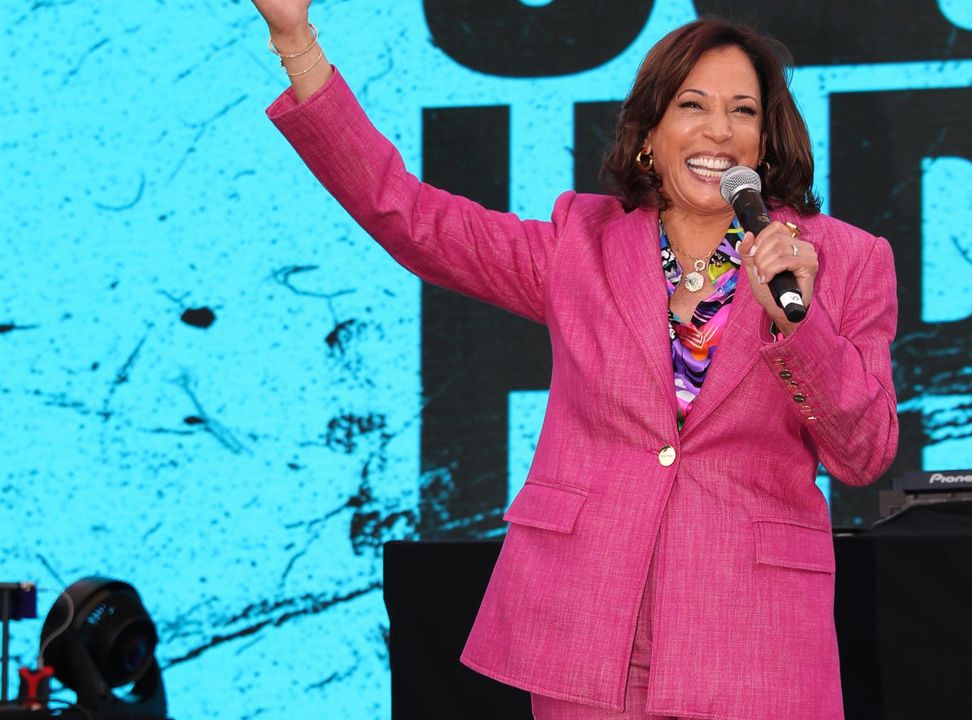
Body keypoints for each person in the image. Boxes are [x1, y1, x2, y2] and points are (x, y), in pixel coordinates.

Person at [252, 2, 898, 718]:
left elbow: (864, 455)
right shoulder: (580, 243)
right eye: (693, 105)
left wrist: (798, 328)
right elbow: (407, 215)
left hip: (750, 640)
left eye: (743, 111)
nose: (719, 129)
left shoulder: (843, 261)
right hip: (590, 638)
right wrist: (295, 41)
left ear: (765, 143)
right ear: (650, 133)